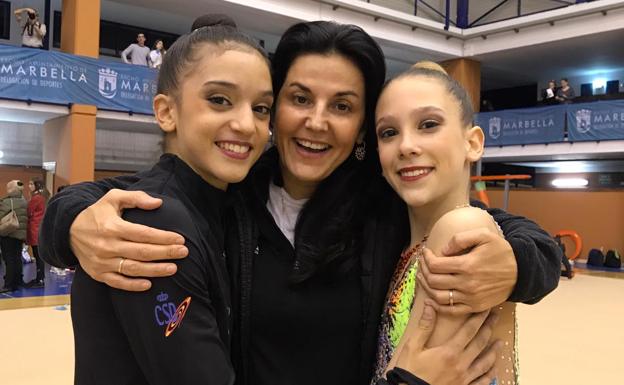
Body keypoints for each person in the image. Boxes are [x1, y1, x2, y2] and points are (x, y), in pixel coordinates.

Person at [40, 21, 561, 385]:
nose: (316, 121)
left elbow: (510, 230)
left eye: (343, 106)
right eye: (299, 98)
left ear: (361, 127)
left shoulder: (380, 205)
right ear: (276, 106)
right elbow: (139, 189)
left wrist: (519, 263)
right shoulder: (233, 194)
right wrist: (69, 223)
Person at [70, 20, 275, 384]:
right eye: (219, 100)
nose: (247, 124)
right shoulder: (156, 219)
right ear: (166, 112)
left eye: (261, 108)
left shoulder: (227, 205)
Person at [372, 64, 520, 384]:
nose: (406, 146)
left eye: (428, 124)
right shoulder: (404, 242)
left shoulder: (460, 230)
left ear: (473, 143)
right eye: (389, 132)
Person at [0, 180, 28, 293]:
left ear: (11, 189)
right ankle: (18, 281)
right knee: (17, 258)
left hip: (8, 233)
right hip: (20, 234)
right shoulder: (24, 201)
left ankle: (9, 284)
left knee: (9, 259)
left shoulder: (6, 201)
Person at [25, 177, 49, 288]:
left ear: (36, 185)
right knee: (38, 256)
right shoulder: (43, 197)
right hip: (39, 228)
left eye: (31, 184)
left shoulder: (36, 198)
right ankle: (39, 278)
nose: (29, 186)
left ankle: (40, 280)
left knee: (38, 256)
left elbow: (28, 212)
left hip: (35, 228)